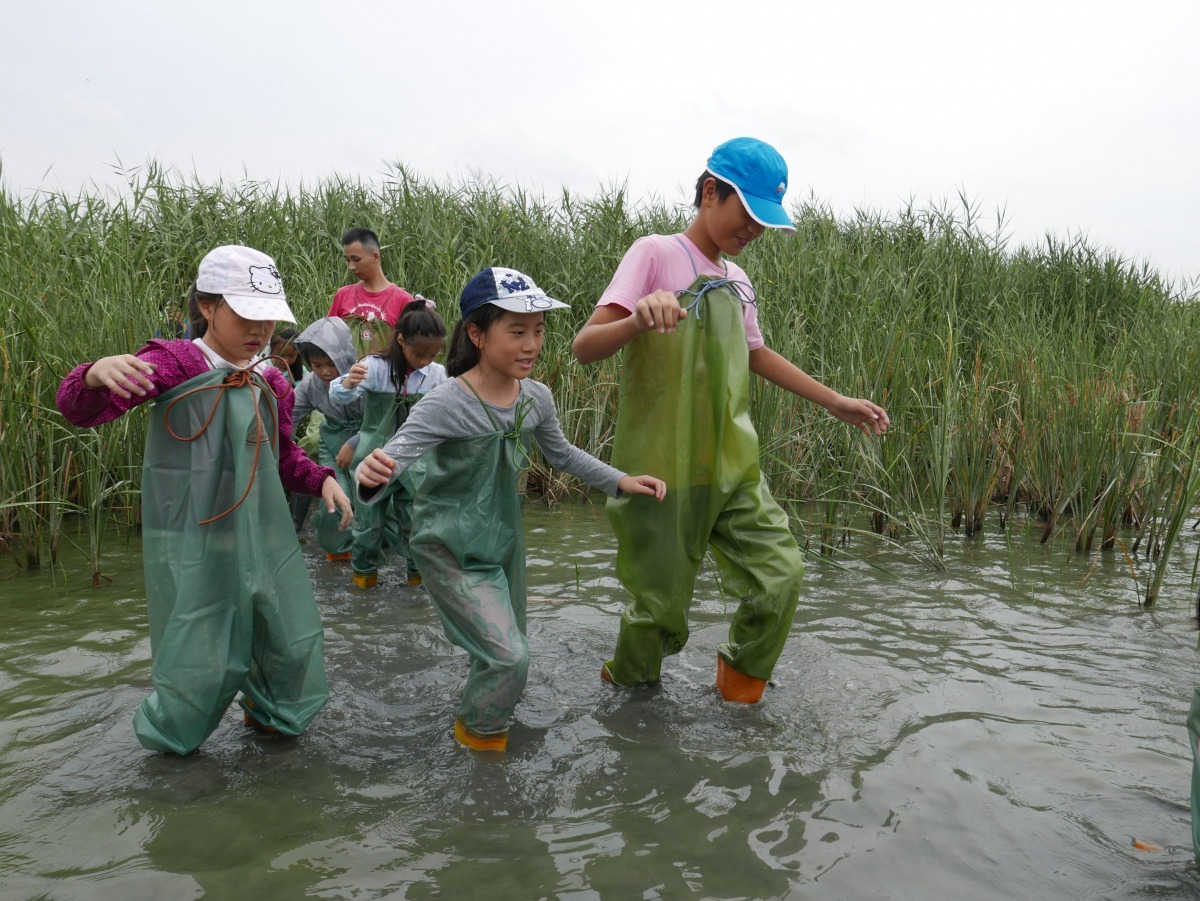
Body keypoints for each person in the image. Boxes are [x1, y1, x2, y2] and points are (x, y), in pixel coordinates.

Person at [572, 137, 889, 703]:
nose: (755, 232)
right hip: (662, 468)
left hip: (731, 465)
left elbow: (757, 355)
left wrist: (836, 401)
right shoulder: (655, 253)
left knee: (781, 575)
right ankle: (628, 698)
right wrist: (640, 320)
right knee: (657, 611)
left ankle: (739, 697)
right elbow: (585, 345)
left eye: (765, 223)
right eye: (749, 215)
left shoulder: (739, 281)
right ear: (710, 192)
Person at [56, 245, 355, 755]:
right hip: (195, 538)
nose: (260, 330)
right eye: (247, 314)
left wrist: (323, 479)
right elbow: (82, 410)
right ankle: (172, 753)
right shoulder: (173, 364)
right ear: (208, 306)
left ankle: (271, 726)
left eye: (268, 317)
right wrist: (91, 374)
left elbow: (283, 458)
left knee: (287, 639)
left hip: (262, 535)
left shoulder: (273, 380)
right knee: (201, 656)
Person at [357, 267, 667, 752]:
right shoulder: (445, 403)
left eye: (539, 331)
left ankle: (482, 739)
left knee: (503, 652)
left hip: (503, 545)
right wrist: (369, 473)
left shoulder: (536, 399)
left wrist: (622, 480)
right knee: (509, 658)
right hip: (449, 546)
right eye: (517, 331)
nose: (531, 344)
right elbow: (392, 459)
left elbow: (562, 455)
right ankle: (479, 757)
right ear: (477, 334)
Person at [331, 298, 447, 587]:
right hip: (373, 459)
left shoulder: (437, 374)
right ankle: (364, 583)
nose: (425, 360)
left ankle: (416, 587)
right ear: (400, 340)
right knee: (368, 526)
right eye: (419, 353)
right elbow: (338, 396)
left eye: (433, 354)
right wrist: (348, 383)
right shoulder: (375, 366)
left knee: (415, 523)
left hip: (417, 462)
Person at [291, 316, 365, 560]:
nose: (324, 372)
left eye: (330, 364)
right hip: (331, 442)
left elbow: (383, 421)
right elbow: (287, 417)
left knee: (368, 500)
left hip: (368, 441)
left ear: (343, 358)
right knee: (333, 498)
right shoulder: (310, 385)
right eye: (316, 364)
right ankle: (338, 554)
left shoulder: (365, 377)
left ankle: (367, 554)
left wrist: (355, 443)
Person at [327, 227, 415, 357]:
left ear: (375, 256)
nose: (351, 266)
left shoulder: (403, 300)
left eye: (356, 260)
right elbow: (328, 340)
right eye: (347, 260)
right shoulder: (343, 295)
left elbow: (411, 348)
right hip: (347, 376)